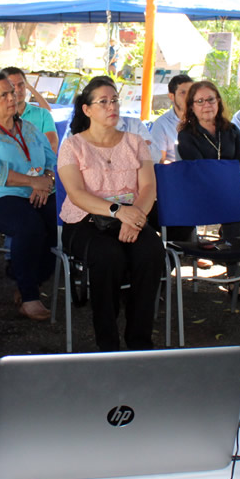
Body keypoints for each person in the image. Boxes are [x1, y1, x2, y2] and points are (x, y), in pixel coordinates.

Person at [57, 76, 165, 351]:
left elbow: (149, 186)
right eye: (103, 102)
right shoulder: (72, 146)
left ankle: (140, 341)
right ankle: (108, 344)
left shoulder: (136, 142)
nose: (111, 106)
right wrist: (120, 213)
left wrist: (136, 217)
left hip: (132, 217)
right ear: (87, 109)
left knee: (151, 251)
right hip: (85, 221)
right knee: (108, 257)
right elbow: (77, 194)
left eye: (115, 100)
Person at [0, 73, 57, 321]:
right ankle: (29, 296)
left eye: (13, 92)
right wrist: (32, 181)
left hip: (35, 192)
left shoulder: (28, 128)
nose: (12, 97)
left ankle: (29, 278)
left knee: (59, 223)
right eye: (3, 94)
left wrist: (46, 180)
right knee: (29, 225)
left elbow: (51, 158)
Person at [176, 80, 240, 285]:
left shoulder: (231, 130)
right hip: (204, 195)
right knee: (236, 207)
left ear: (218, 101)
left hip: (235, 190)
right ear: (191, 106)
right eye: (199, 101)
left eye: (210, 99)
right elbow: (200, 169)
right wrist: (232, 177)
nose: (206, 105)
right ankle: (238, 274)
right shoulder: (186, 135)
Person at [1, 66, 57, 152]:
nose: (18, 89)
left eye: (21, 84)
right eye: (12, 85)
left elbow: (51, 147)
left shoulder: (42, 114)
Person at [149, 74, 193, 163]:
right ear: (171, 97)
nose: (188, 97)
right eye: (183, 93)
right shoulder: (161, 124)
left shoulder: (202, 119)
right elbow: (160, 160)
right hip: (176, 172)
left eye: (191, 92)